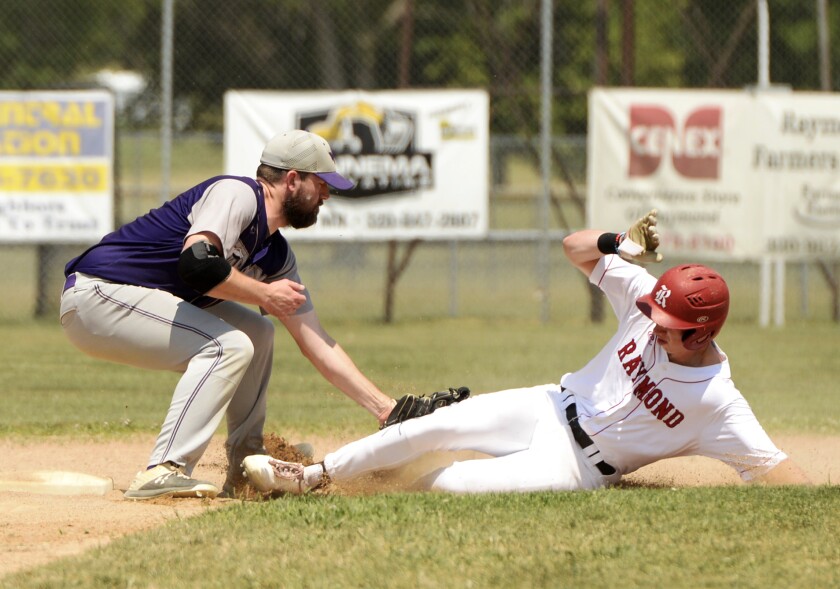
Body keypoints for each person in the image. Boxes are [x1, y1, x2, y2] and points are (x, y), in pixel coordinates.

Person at [242, 210, 812, 494]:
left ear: (703, 333)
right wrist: (618, 243)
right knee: (432, 427)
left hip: (577, 466)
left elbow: (773, 471)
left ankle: (380, 483)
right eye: (655, 312)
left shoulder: (718, 402)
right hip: (547, 403)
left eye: (670, 323)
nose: (654, 324)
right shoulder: (644, 296)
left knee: (448, 487)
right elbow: (573, 250)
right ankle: (312, 475)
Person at [59, 129, 397, 500]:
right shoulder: (236, 193)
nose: (327, 195)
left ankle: (245, 467)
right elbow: (198, 263)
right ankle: (164, 469)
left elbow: (317, 342)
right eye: (321, 183)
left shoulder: (275, 254)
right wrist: (265, 293)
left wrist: (384, 408)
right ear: (292, 180)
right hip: (98, 294)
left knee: (258, 334)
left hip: (135, 303)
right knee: (228, 346)